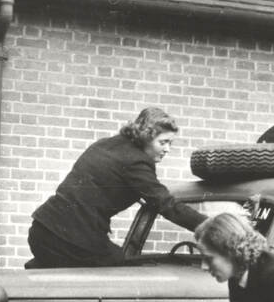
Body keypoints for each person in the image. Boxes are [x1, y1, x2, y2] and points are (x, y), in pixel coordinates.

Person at [28, 107, 206, 268]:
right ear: (147, 137)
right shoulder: (137, 162)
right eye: (163, 142)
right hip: (69, 239)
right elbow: (166, 205)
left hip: (41, 230)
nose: (167, 149)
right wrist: (210, 226)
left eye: (170, 143)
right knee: (124, 271)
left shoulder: (107, 144)